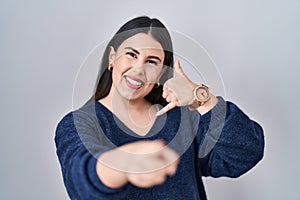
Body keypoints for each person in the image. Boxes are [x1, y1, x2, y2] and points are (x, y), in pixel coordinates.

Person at [55, 16, 264, 200]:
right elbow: (80, 182)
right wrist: (124, 163)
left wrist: (202, 99)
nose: (138, 69)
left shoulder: (181, 118)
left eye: (152, 62)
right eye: (131, 54)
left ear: (161, 73)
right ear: (112, 57)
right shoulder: (78, 123)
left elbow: (244, 154)